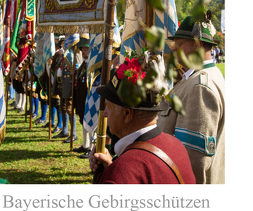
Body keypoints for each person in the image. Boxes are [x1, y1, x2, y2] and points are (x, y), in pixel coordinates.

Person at [89, 55, 196, 184]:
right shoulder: (177, 145)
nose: (105, 114)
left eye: (109, 107)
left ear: (127, 114)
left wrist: (111, 173)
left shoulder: (120, 173)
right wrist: (109, 168)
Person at [158, 12, 225, 184]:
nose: (173, 48)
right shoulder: (203, 77)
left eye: (179, 44)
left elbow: (192, 163)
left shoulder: (200, 86)